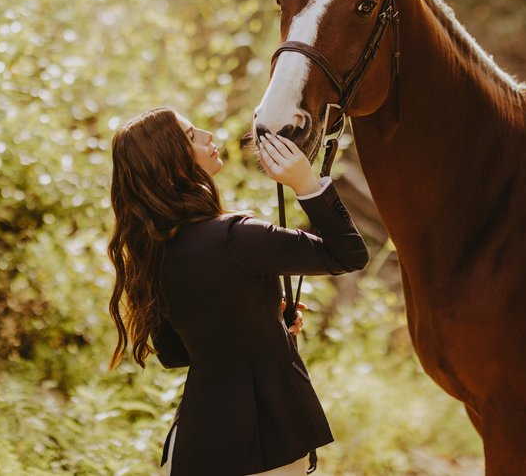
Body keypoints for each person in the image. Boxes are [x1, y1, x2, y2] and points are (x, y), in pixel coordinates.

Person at [108, 106, 369, 476]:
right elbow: (348, 254)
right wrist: (307, 186)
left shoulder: (152, 251)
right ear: (169, 160)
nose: (207, 135)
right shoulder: (235, 235)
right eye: (189, 135)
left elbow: (174, 352)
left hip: (193, 446)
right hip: (267, 443)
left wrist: (261, 321)